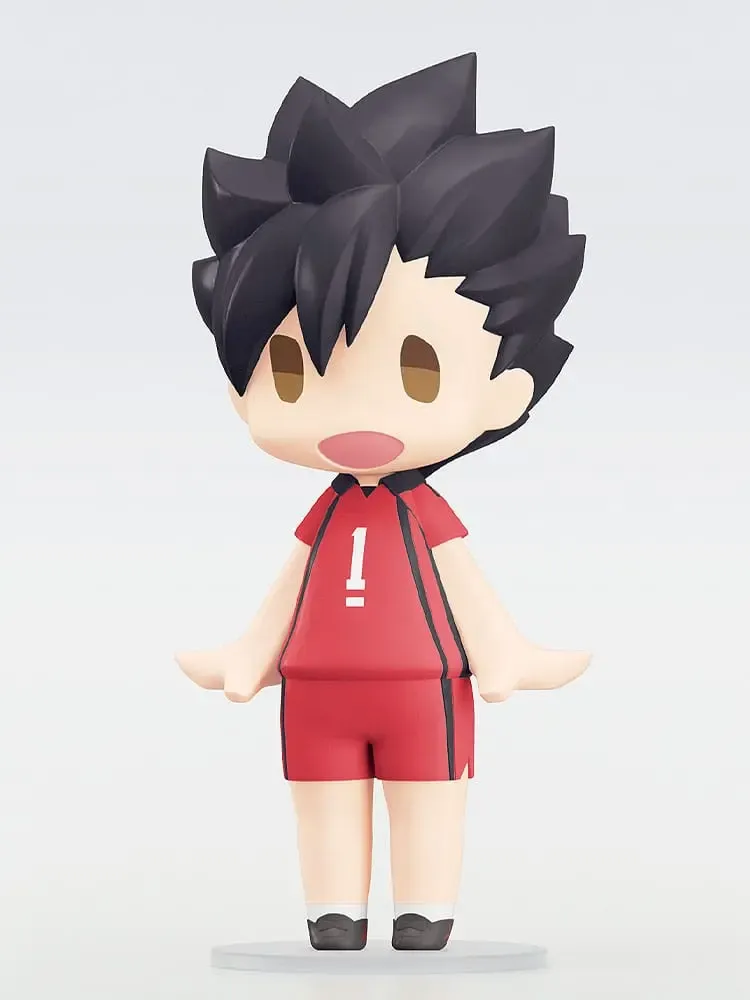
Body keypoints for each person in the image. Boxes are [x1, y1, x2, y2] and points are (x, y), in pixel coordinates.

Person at [176, 52, 590, 952]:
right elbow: (286, 593)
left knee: (427, 798)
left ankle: (424, 910)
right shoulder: (325, 517)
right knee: (322, 803)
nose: (353, 419)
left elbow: (468, 593)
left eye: (417, 368)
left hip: (423, 690)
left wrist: (506, 655)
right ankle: (334, 911)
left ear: (507, 390)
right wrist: (249, 653)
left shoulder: (423, 515)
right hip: (316, 694)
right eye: (291, 372)